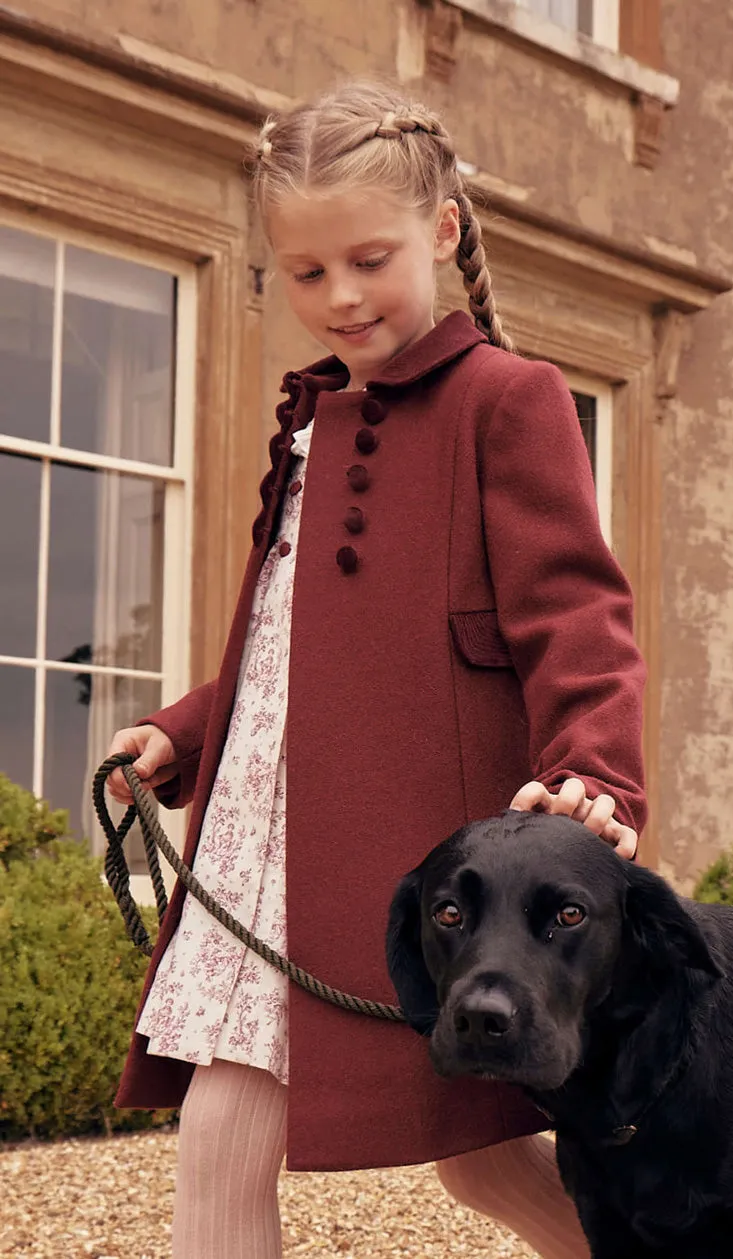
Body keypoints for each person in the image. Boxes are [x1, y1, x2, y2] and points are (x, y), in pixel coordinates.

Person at [107, 79, 647, 1259]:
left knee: (480, 1156)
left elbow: (579, 618)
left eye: (368, 258)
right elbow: (289, 646)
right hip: (269, 862)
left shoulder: (511, 400)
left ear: (443, 232)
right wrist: (184, 735)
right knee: (231, 1125)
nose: (340, 296)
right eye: (306, 274)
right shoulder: (311, 422)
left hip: (421, 856)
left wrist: (593, 774)